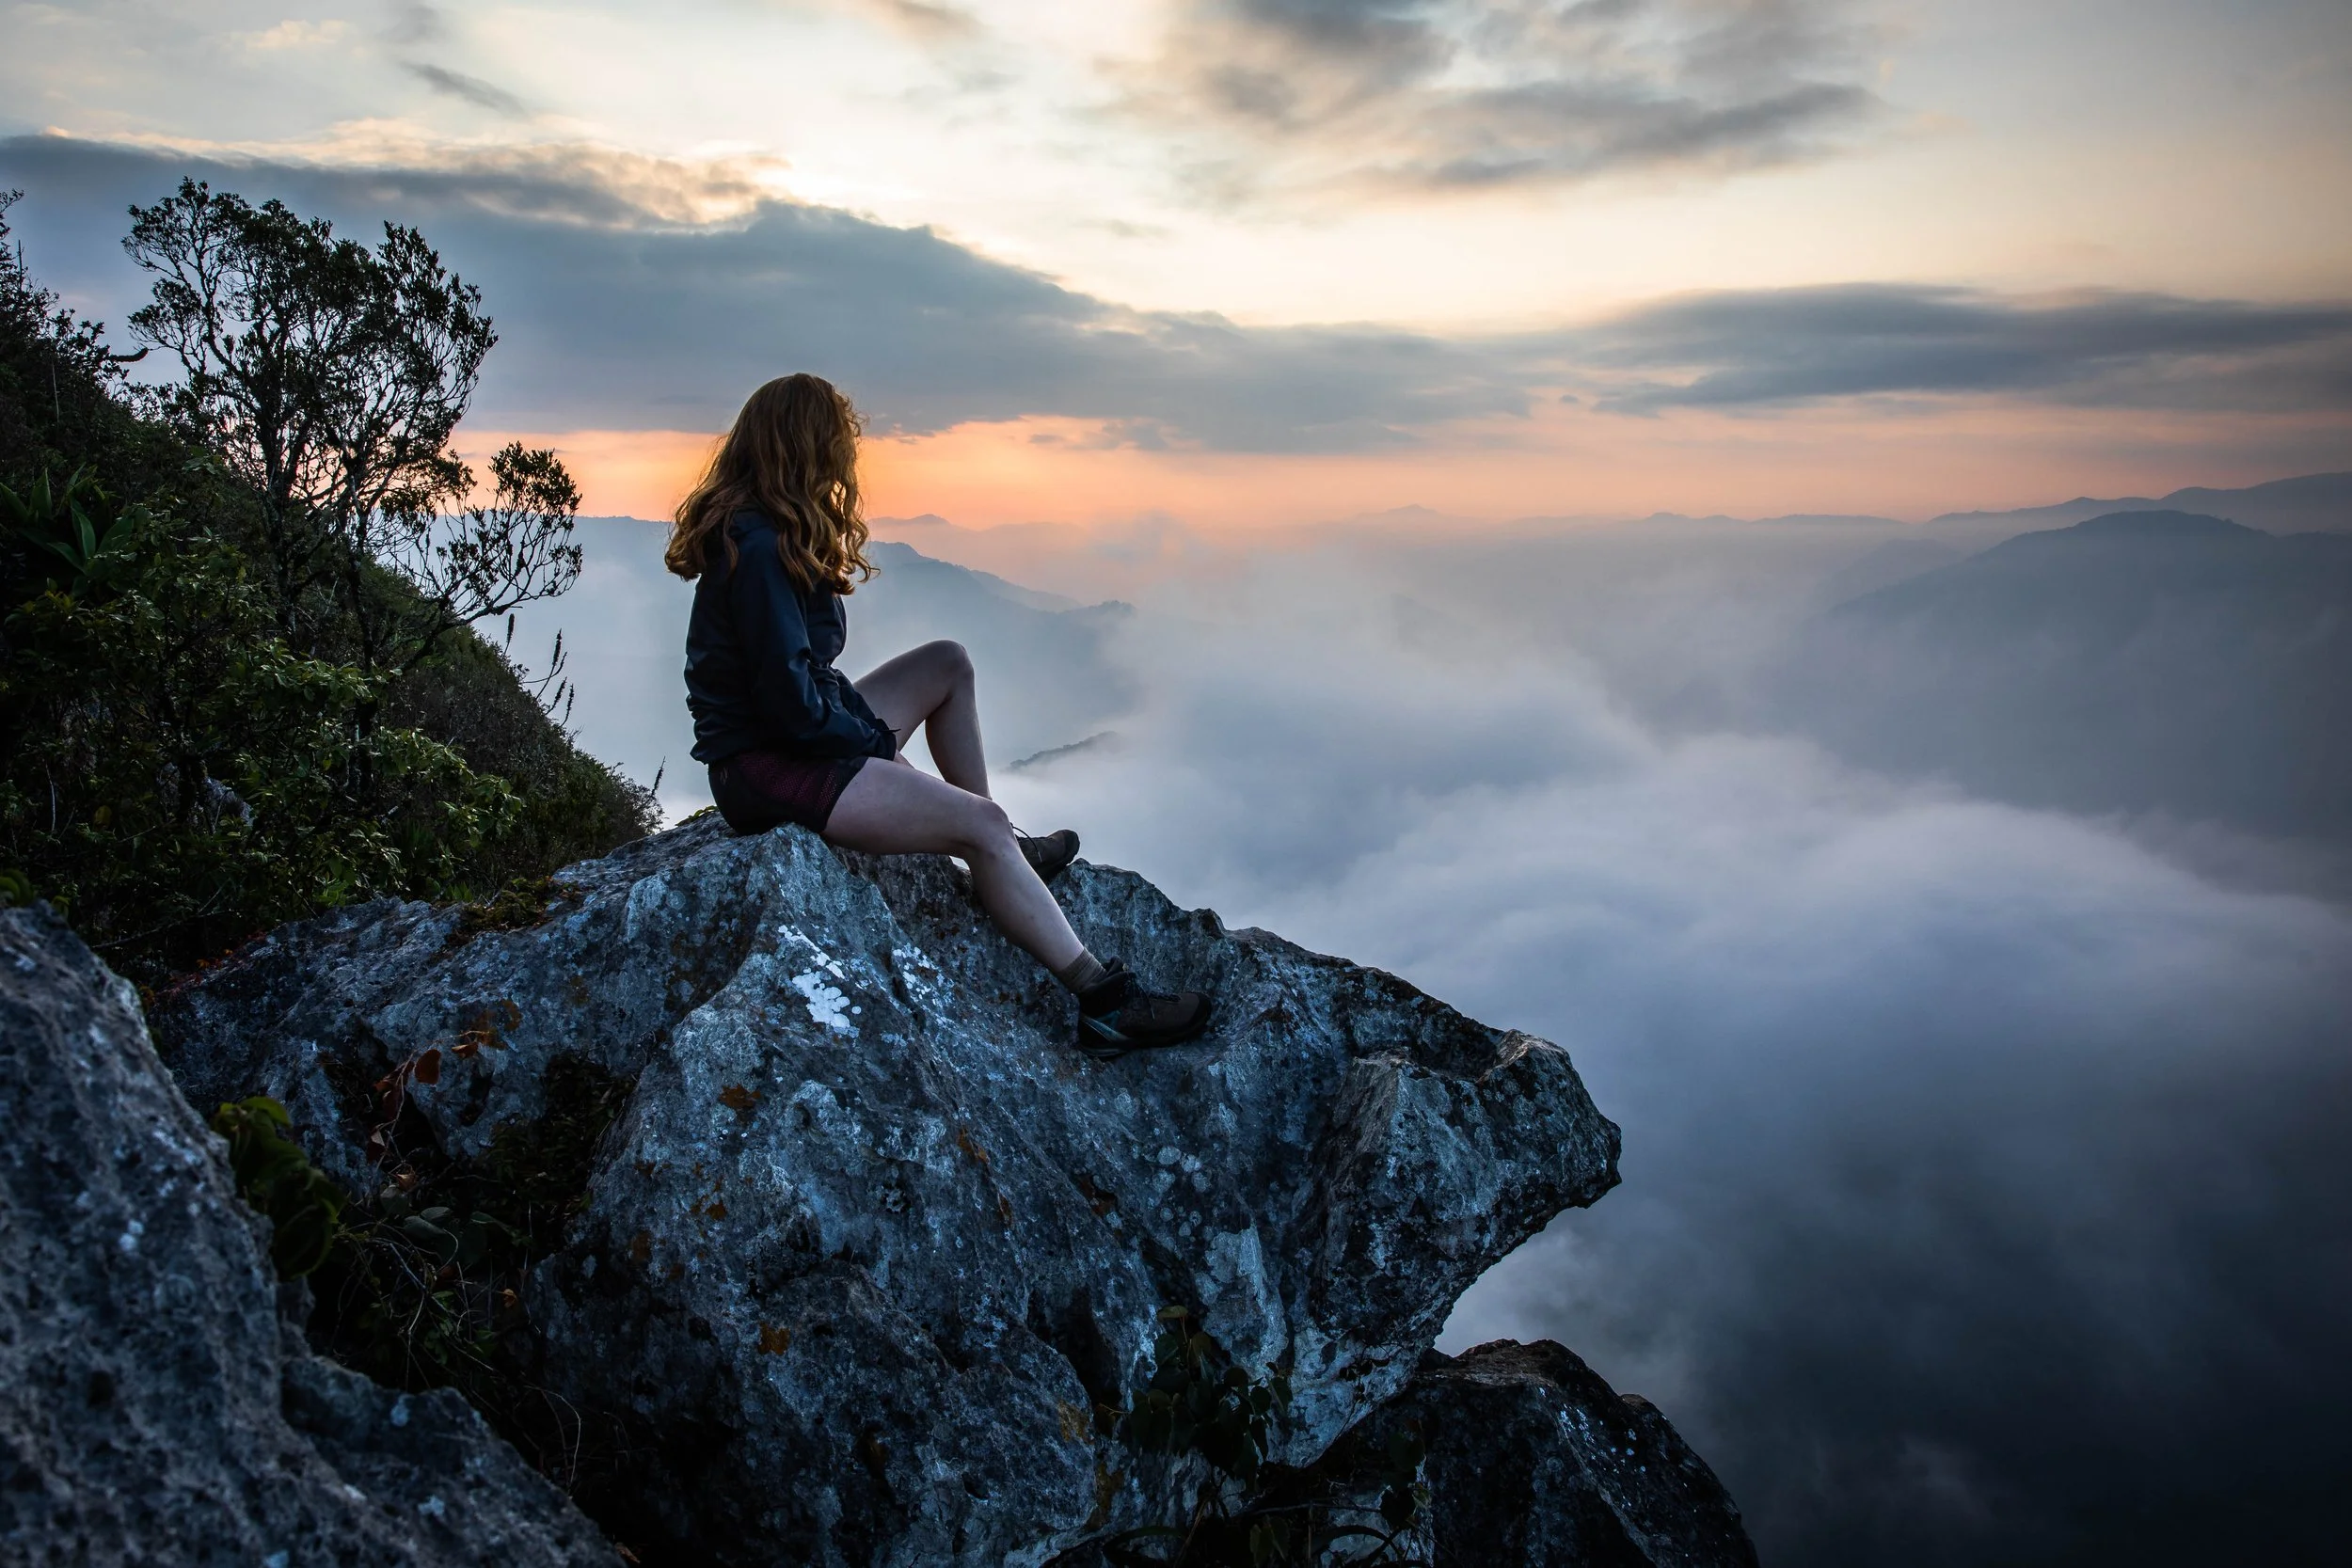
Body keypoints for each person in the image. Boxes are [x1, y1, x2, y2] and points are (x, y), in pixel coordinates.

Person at [668, 373, 1213, 1059]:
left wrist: (862, 734)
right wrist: (869, 740)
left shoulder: (767, 529)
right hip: (766, 767)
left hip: (790, 737)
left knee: (948, 664)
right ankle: (1105, 1004)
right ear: (807, 448)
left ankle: (1004, 858)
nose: (846, 460)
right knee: (975, 824)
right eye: (837, 443)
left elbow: (800, 685)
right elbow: (789, 710)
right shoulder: (754, 547)